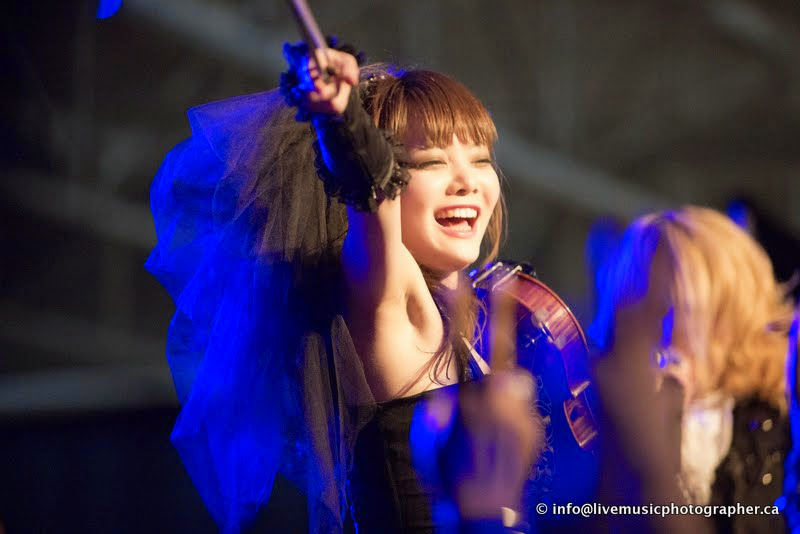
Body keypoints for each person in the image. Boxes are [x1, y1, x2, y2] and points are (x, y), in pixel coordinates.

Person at [146, 40, 540, 534]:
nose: (467, 181)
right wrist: (343, 117)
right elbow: (373, 196)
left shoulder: (472, 323)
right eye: (430, 162)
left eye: (481, 160)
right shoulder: (398, 309)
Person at [589, 205, 794, 533]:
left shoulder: (779, 428)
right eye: (643, 309)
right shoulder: (601, 430)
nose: (661, 333)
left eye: (673, 308)